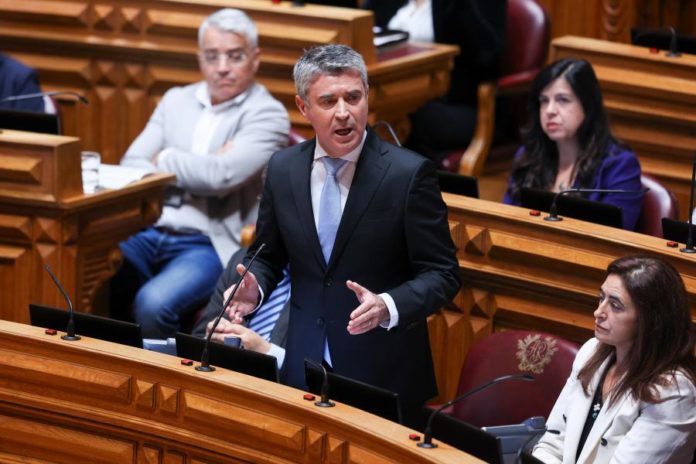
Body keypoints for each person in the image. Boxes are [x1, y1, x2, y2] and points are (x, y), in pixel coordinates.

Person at [222, 44, 460, 428]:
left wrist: (387, 305)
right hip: (303, 364)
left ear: (367, 96)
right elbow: (267, 255)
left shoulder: (408, 175)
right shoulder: (284, 168)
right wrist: (256, 287)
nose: (344, 112)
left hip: (381, 370)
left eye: (353, 97)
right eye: (328, 101)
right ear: (303, 108)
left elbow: (443, 274)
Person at [110, 8, 289, 339]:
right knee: (88, 272)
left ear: (255, 59)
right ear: (200, 59)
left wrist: (165, 158)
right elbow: (131, 163)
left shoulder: (267, 113)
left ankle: (159, 371)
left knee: (153, 304)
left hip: (207, 242)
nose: (222, 67)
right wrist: (202, 165)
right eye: (212, 56)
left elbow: (220, 177)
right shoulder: (175, 100)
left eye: (234, 56)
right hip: (149, 229)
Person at [532, 255, 696, 463]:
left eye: (615, 306)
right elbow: (552, 444)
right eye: (601, 298)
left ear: (651, 320)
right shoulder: (591, 352)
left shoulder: (673, 393)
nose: (598, 312)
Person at [503, 58, 643, 231]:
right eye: (544, 101)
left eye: (563, 100)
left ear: (587, 105)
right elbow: (508, 222)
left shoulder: (619, 166)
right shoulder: (528, 155)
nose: (550, 111)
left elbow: (614, 235)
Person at [362, 0, 506, 165]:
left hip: (459, 105)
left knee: (400, 116)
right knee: (361, 109)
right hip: (398, 93)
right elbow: (365, 24)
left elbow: (488, 54)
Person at [194, 247, 290, 369]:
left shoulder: (314, 290)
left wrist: (268, 352)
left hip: (277, 380)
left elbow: (310, 373)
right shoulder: (245, 259)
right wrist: (211, 337)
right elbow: (198, 337)